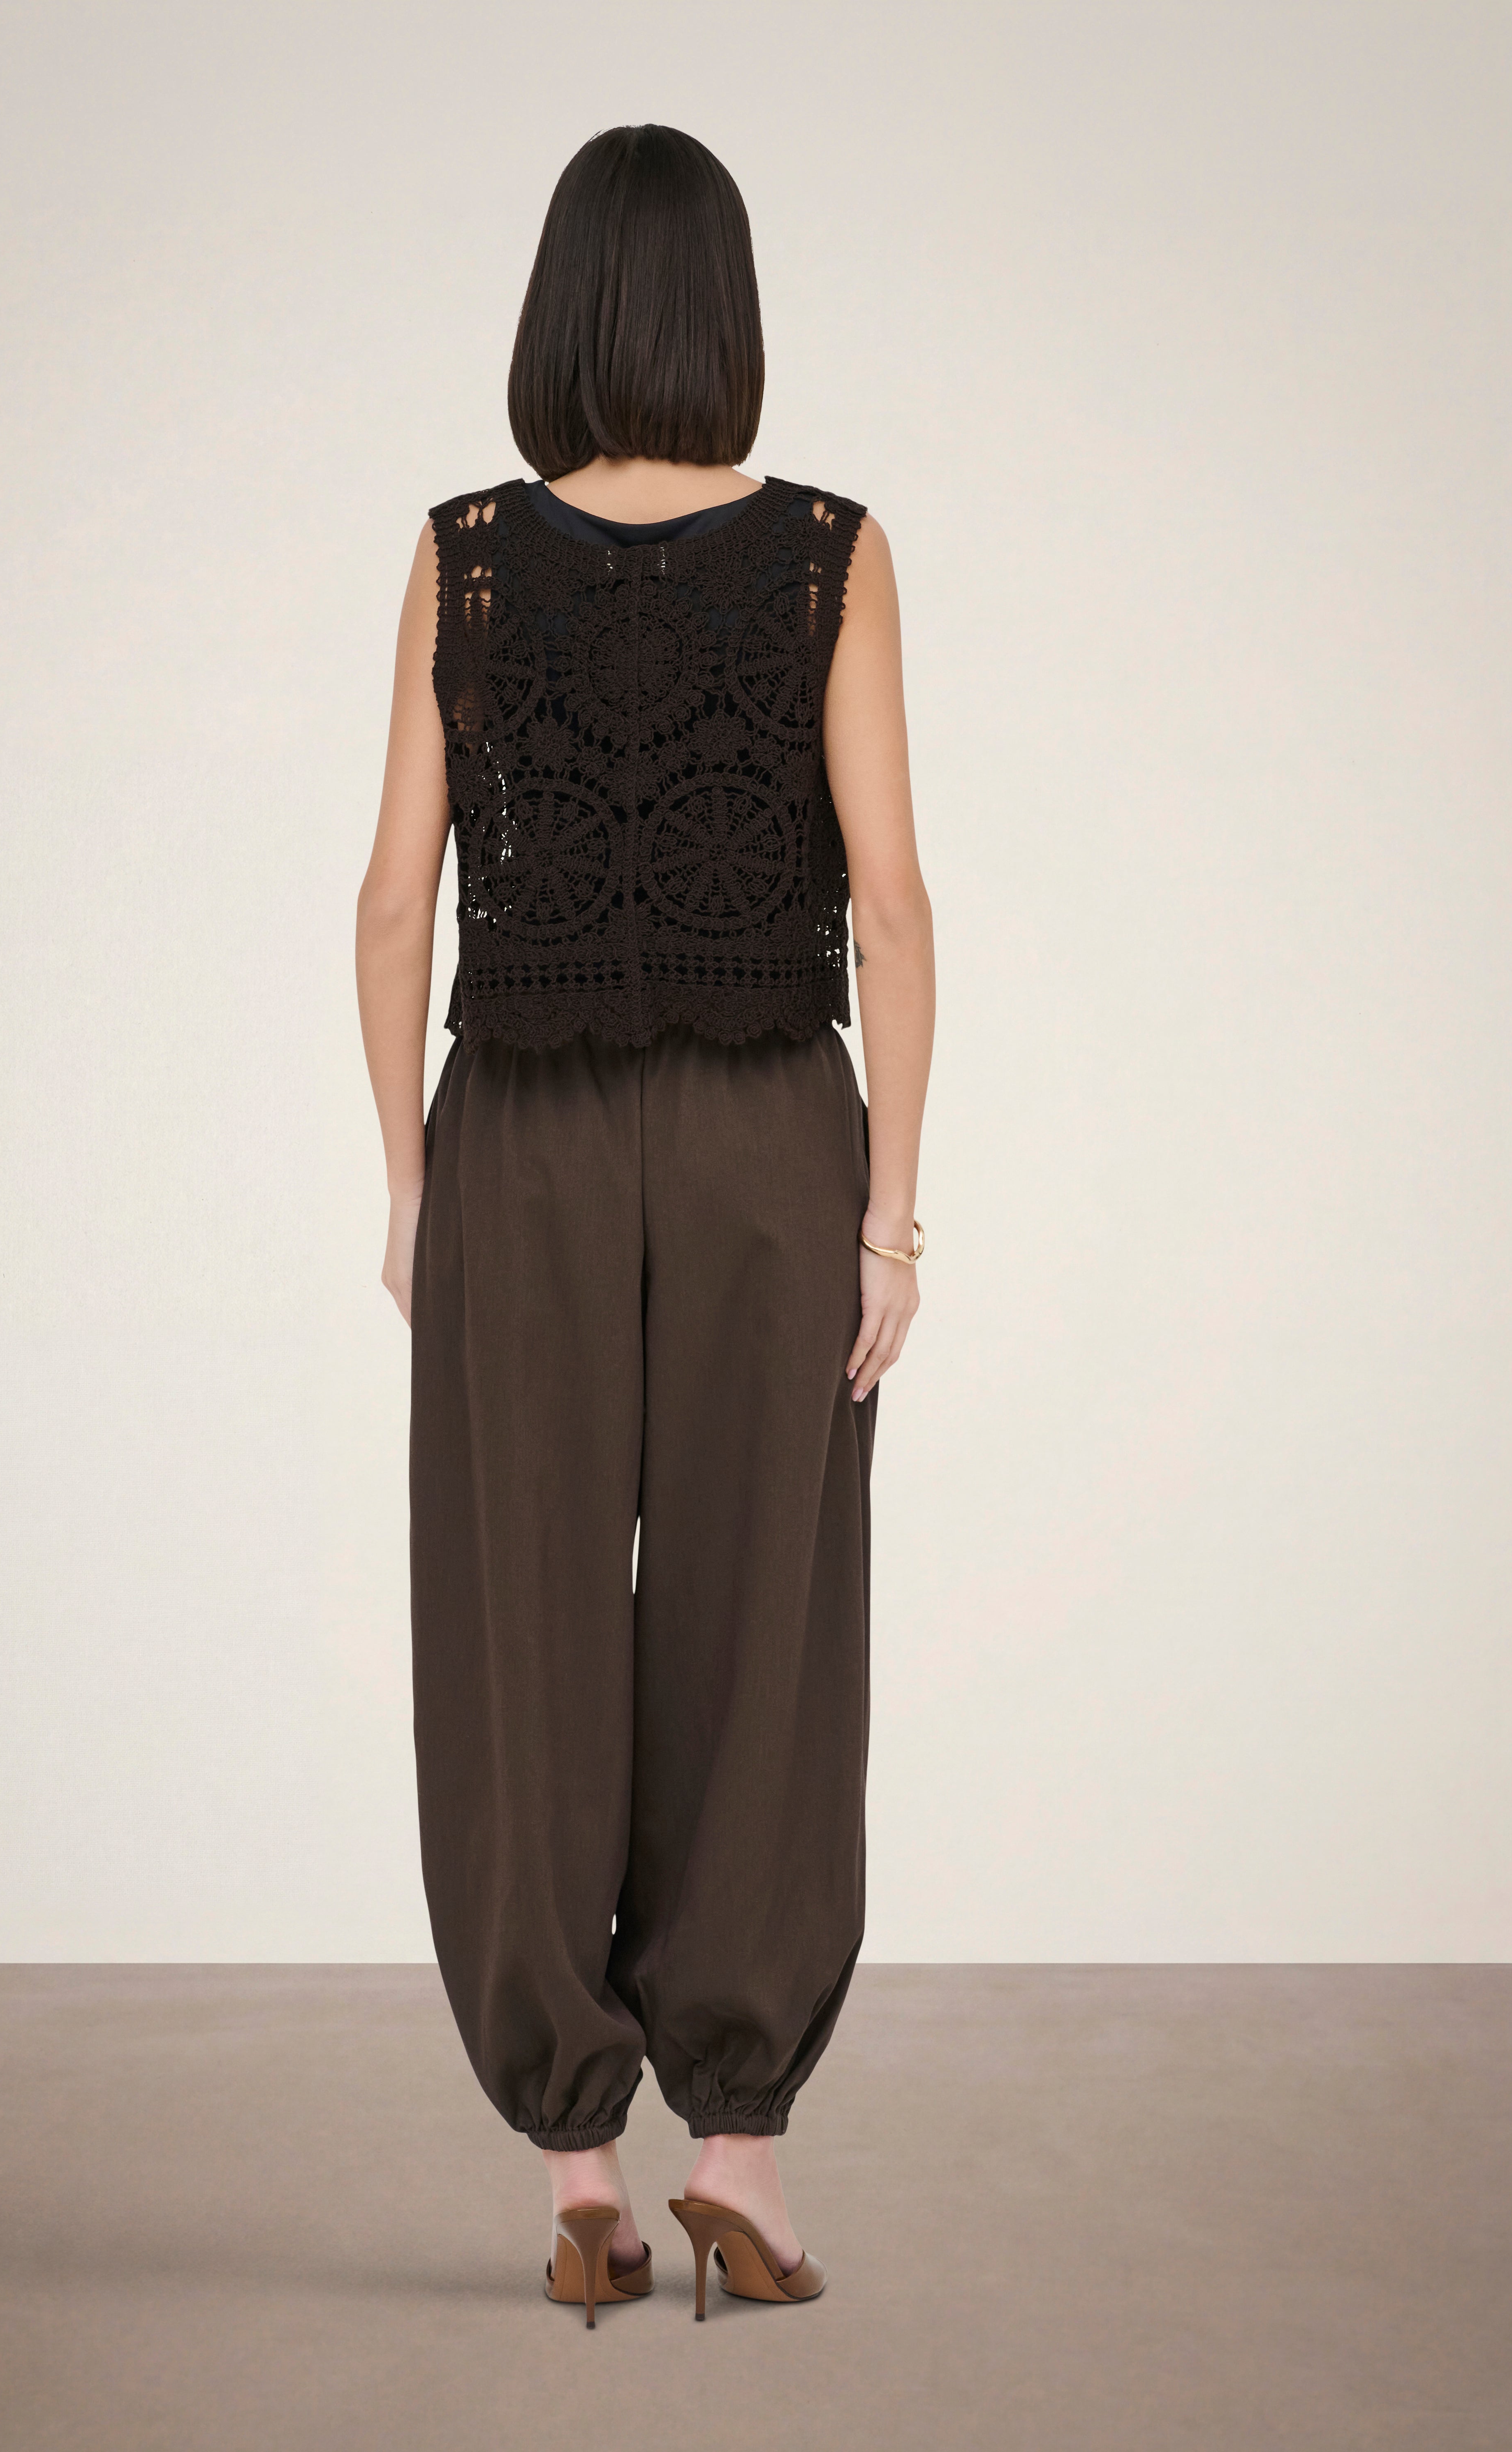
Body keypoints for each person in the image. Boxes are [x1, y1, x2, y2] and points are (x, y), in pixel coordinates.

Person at [356, 122, 934, 2326]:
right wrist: (894, 1221)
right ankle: (745, 2164)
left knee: (517, 1619)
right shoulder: (831, 554)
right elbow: (890, 905)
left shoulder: (468, 559)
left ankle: (580, 2172)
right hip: (771, 1130)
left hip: (518, 1120)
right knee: (763, 1619)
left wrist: (410, 1183)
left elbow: (393, 900)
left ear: (560, 311)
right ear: (727, 314)